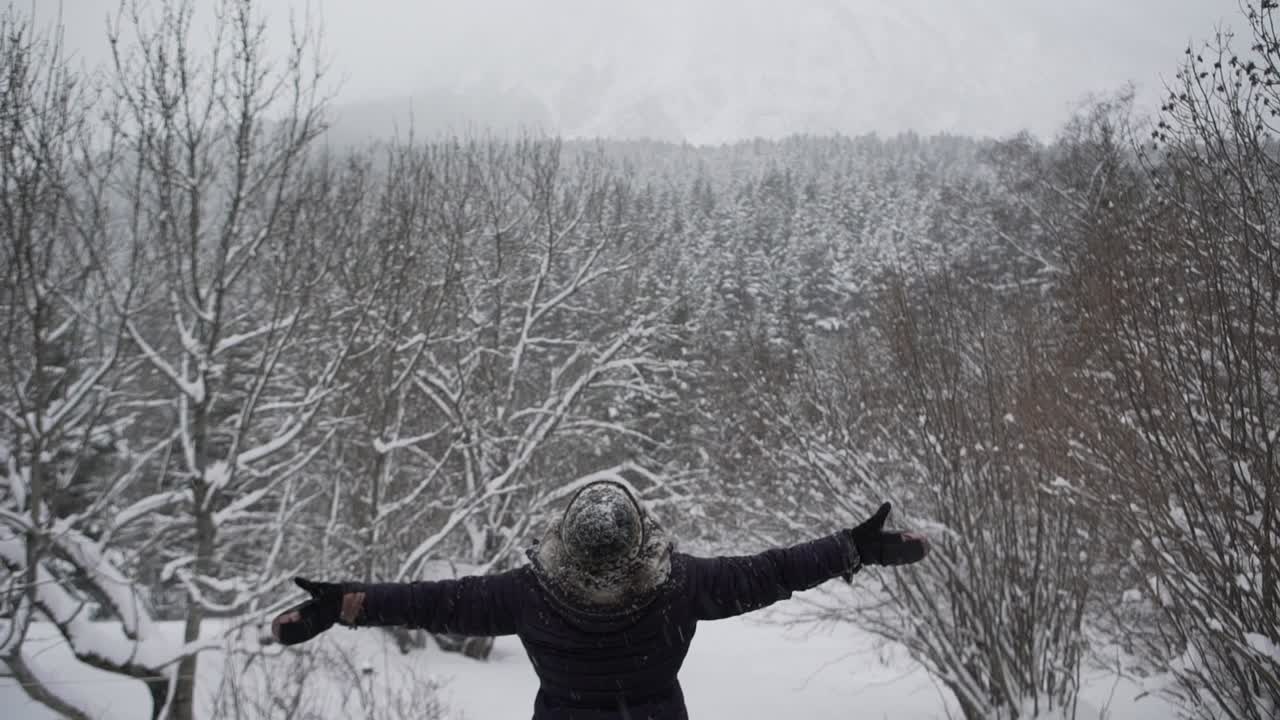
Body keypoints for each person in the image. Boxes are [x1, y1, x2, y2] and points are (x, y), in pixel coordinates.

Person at [271, 474, 930, 720]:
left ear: (564, 537)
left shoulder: (526, 595)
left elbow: (433, 603)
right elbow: (772, 571)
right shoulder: (682, 587)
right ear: (642, 535)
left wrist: (346, 606)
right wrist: (855, 547)